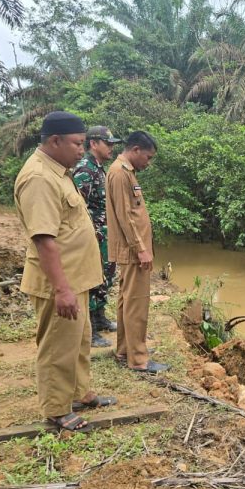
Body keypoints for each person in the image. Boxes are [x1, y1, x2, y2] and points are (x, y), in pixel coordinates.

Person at [14, 111, 117, 431]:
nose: (80, 150)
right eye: (77, 144)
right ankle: (57, 409)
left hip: (78, 277)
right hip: (60, 281)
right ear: (54, 141)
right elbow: (44, 238)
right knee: (59, 345)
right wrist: (61, 288)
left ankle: (79, 393)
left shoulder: (59, 170)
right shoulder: (39, 178)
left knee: (79, 339)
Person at [106, 131, 170, 374]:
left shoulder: (124, 171)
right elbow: (126, 217)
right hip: (133, 251)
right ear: (135, 150)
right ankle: (139, 359)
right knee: (137, 304)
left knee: (127, 301)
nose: (148, 162)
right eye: (148, 156)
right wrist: (141, 250)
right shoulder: (121, 173)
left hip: (131, 250)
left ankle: (125, 351)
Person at [72, 126, 122, 348]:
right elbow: (76, 208)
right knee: (93, 280)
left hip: (104, 235)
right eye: (107, 143)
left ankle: (100, 318)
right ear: (93, 143)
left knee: (105, 277)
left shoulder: (99, 169)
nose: (111, 148)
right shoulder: (85, 170)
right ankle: (89, 329)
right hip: (93, 237)